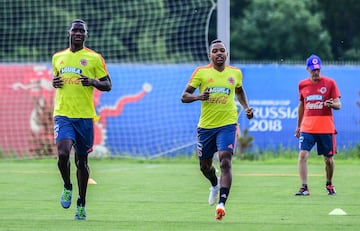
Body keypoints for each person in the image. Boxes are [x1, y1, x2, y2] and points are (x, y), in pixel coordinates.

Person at [181, 39, 253, 221]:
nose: (219, 53)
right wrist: (198, 96)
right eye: (215, 51)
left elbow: (239, 91)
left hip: (228, 124)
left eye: (222, 50)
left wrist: (246, 107)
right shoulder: (201, 73)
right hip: (206, 127)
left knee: (225, 161)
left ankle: (221, 204)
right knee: (205, 166)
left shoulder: (235, 73)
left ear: (226, 54)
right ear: (210, 55)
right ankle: (214, 184)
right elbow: (184, 96)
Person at [51, 19, 112, 220]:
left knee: (81, 161)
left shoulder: (94, 58)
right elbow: (57, 80)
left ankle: (81, 202)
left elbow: (107, 84)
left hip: (84, 117)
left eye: (82, 31)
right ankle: (67, 186)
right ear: (69, 32)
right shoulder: (58, 57)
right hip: (63, 114)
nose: (78, 33)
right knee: (62, 153)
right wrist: (55, 82)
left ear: (86, 35)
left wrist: (93, 82)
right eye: (75, 30)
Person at [294, 54, 341, 196]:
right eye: (313, 69)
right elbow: (302, 105)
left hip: (326, 127)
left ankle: (329, 183)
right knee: (302, 155)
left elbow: (338, 104)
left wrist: (332, 104)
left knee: (328, 160)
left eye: (318, 69)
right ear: (307, 69)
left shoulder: (330, 83)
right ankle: (304, 187)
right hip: (307, 127)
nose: (316, 72)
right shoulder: (302, 84)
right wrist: (299, 126)